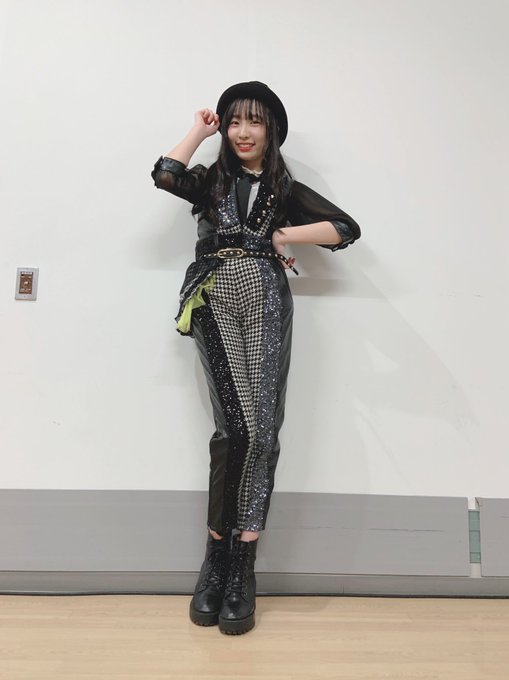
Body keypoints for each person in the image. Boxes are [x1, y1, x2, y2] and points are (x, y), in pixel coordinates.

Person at [151, 81, 361, 635]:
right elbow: (166, 174)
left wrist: (283, 234)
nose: (243, 132)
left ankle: (243, 563)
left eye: (255, 122)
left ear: (272, 131)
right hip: (215, 295)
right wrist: (199, 130)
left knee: (263, 429)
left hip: (266, 296)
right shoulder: (210, 180)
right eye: (234, 121)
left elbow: (345, 228)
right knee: (234, 428)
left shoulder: (284, 188)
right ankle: (216, 557)